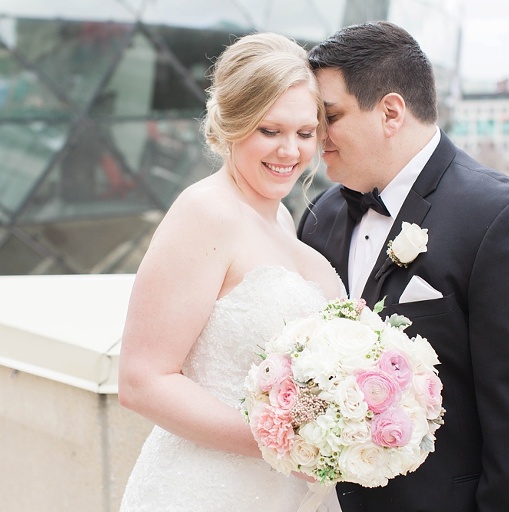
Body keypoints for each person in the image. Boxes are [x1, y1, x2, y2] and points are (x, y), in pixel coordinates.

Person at [298, 21, 509, 512]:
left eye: (330, 116)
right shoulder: (318, 217)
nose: (315, 135)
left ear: (390, 112)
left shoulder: (508, 221)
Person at [117, 32, 344, 512]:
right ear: (234, 123)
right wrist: (278, 443)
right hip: (204, 490)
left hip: (282, 492)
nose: (289, 151)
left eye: (305, 134)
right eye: (270, 131)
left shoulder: (280, 217)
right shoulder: (205, 211)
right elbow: (142, 379)